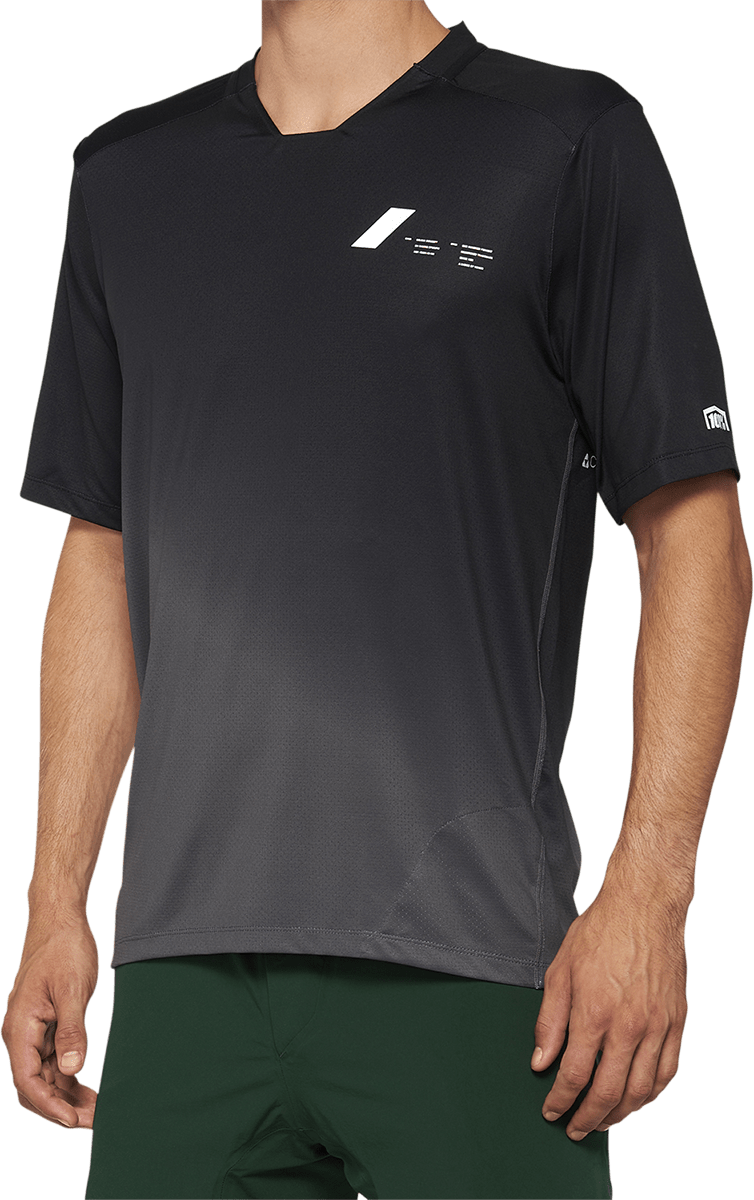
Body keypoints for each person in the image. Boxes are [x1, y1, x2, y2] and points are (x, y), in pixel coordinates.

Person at [2, 2, 750, 1198]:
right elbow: (103, 546)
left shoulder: (563, 139)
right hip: (185, 974)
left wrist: (651, 896)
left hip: (474, 961)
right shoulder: (126, 174)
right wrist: (55, 900)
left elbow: (693, 532)